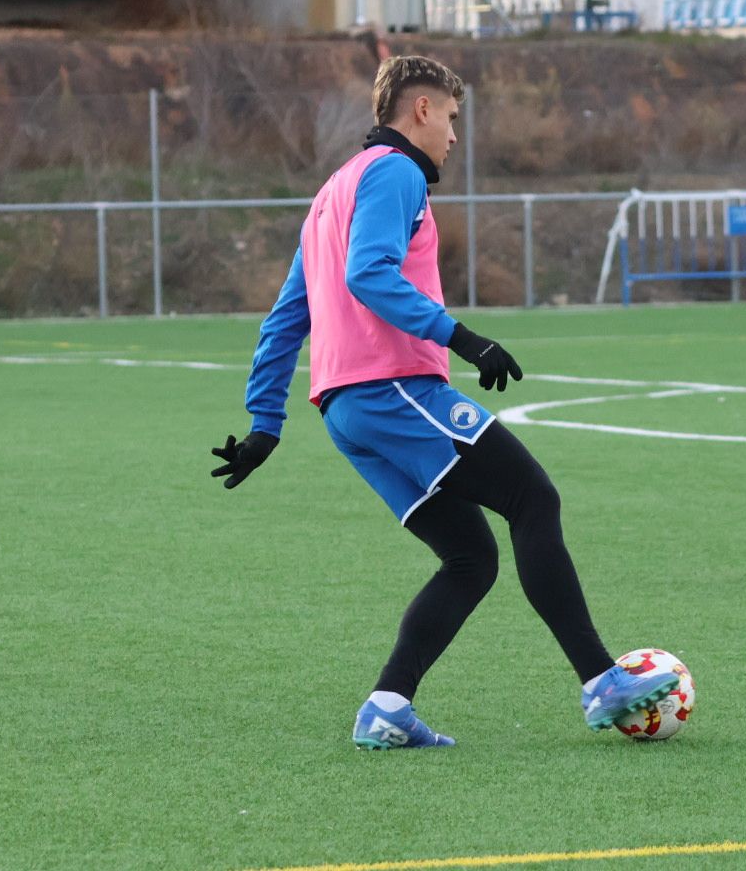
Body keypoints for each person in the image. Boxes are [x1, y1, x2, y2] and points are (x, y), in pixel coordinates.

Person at [211, 55, 679, 748]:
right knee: (533, 498)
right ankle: (601, 681)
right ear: (420, 110)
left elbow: (285, 318)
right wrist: (463, 338)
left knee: (470, 558)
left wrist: (265, 424)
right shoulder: (396, 173)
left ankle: (387, 708)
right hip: (394, 385)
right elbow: (369, 275)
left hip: (345, 410)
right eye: (452, 119)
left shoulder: (330, 191)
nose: (455, 137)